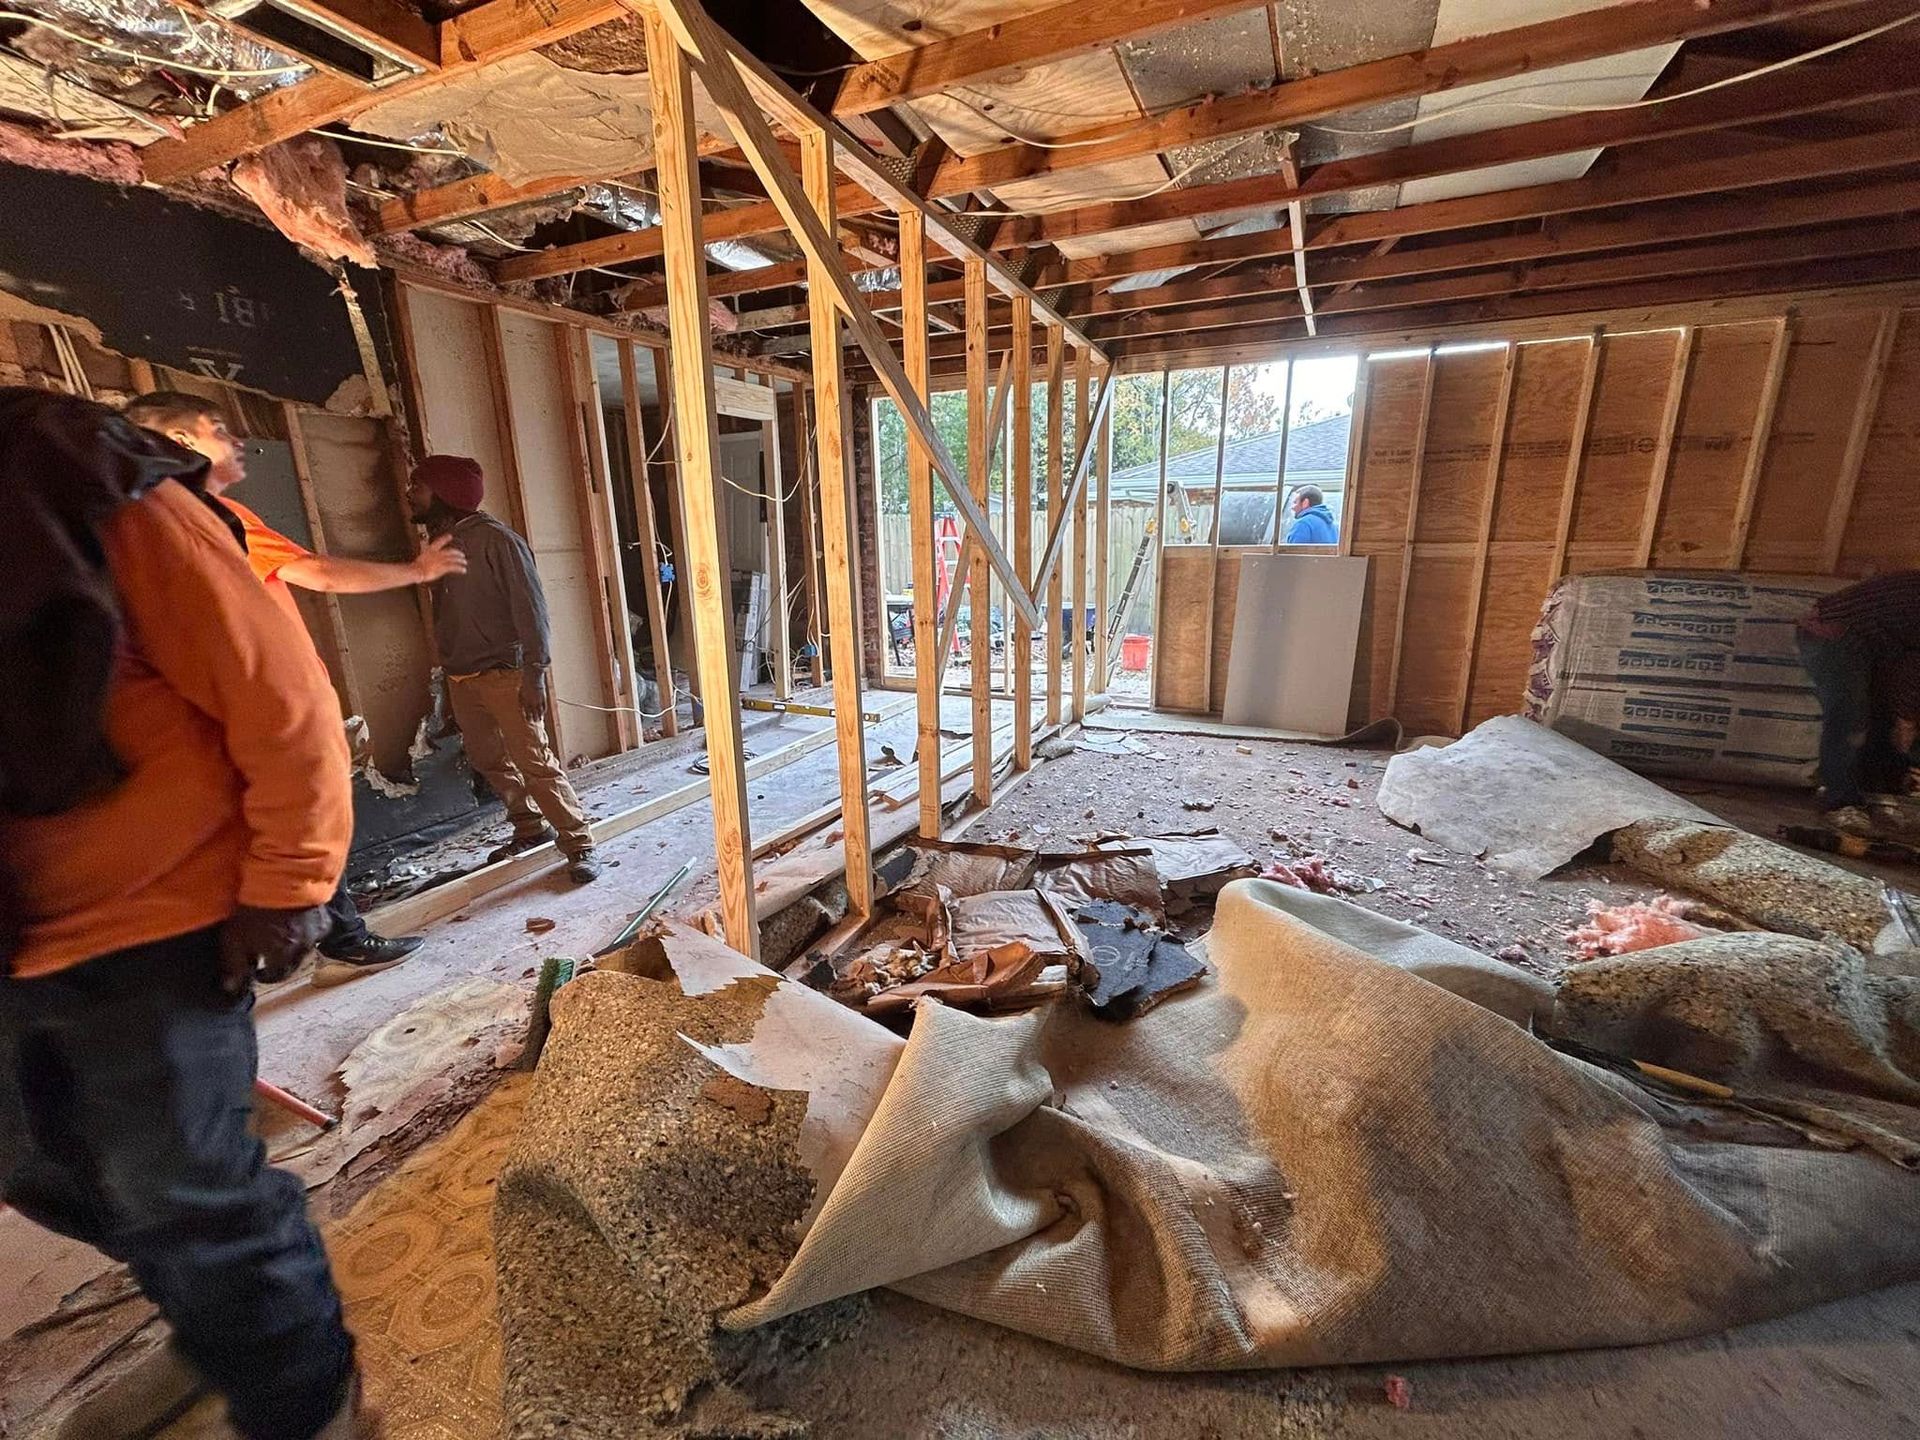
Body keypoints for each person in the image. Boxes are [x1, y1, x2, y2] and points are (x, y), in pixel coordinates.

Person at [0, 389, 376, 1438]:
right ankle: (220, 1327)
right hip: (9, 949)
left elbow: (282, 696)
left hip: (148, 923)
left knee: (185, 1195)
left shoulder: (79, 476)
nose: (239, 465)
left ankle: (303, 1399)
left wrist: (291, 883)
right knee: (59, 1179)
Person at [124, 392, 462, 985]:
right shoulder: (200, 517)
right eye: (219, 428)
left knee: (279, 826)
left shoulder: (152, 519)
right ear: (179, 444)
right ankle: (317, 946)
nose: (237, 441)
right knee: (299, 818)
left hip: (225, 715)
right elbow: (318, 572)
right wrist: (415, 571)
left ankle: (329, 940)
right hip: (250, 715)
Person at [405, 455, 599, 884]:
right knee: (489, 760)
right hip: (462, 677)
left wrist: (535, 675)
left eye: (417, 486)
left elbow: (533, 612)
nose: (409, 494)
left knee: (535, 761)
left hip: (505, 676)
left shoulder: (497, 541)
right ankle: (530, 829)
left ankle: (579, 842)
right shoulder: (441, 541)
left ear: (445, 493)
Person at [1796, 571, 1920, 832]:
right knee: (1851, 715)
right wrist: (1907, 718)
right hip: (1837, 630)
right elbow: (1913, 669)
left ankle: (1876, 795)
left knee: (1884, 714)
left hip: (1884, 643)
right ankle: (1838, 802)